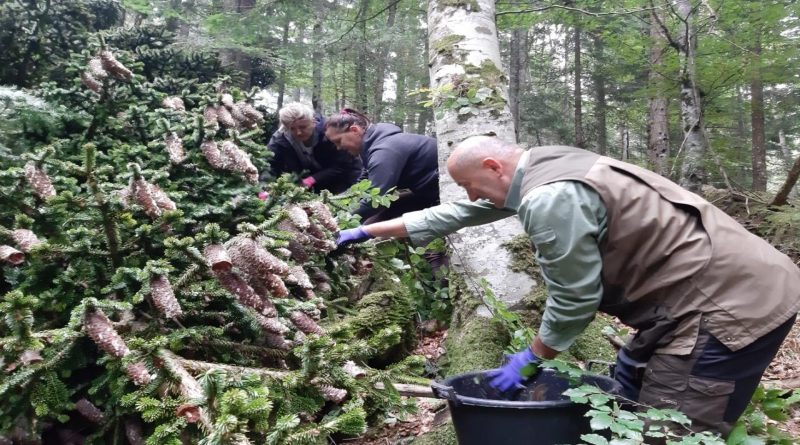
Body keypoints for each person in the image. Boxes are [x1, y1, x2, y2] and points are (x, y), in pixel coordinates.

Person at [336, 135, 800, 439]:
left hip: (727, 304)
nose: (472, 197)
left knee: (672, 429)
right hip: (697, 293)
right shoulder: (546, 166)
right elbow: (458, 214)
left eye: (471, 185)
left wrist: (534, 357)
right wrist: (366, 232)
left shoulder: (549, 197)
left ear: (495, 166)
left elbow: (575, 298)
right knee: (628, 386)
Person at [324, 108, 439, 223]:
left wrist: (336, 221)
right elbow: (361, 187)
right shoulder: (375, 145)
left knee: (373, 222)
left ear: (354, 130)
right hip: (425, 193)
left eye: (338, 141)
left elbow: (377, 199)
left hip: (441, 194)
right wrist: (332, 204)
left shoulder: (384, 151)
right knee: (374, 220)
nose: (338, 147)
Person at [264, 102, 361, 194]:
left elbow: (345, 166)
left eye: (303, 127)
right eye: (292, 129)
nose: (298, 132)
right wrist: (265, 188)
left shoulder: (331, 132)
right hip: (304, 187)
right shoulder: (279, 139)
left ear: (313, 121)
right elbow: (268, 165)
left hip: (343, 182)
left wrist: (312, 179)